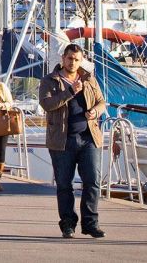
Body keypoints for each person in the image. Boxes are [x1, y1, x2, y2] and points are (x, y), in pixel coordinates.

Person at [38, 43, 107, 239]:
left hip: (88, 138)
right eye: (70, 59)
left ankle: (91, 223)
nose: (73, 62)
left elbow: (101, 101)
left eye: (77, 59)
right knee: (64, 184)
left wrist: (96, 111)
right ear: (63, 59)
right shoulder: (50, 80)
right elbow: (47, 104)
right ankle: (68, 223)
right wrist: (70, 92)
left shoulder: (88, 78)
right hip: (62, 141)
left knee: (92, 181)